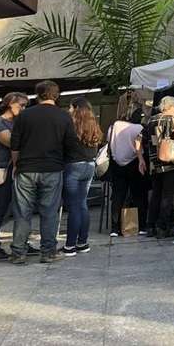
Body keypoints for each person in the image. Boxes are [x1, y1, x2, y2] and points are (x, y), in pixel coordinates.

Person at [10, 80, 80, 264]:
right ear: (56, 96)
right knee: (49, 212)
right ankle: (48, 252)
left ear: (37, 95)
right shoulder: (64, 117)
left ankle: (18, 252)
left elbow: (14, 144)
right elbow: (71, 144)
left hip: (26, 168)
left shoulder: (24, 116)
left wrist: (17, 164)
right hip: (52, 169)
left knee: (22, 212)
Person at [0, 92, 30, 261]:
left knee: (21, 208)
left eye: (25, 106)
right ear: (10, 103)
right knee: (0, 209)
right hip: (5, 169)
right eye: (21, 105)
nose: (24, 108)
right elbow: (11, 142)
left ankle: (21, 241)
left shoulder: (17, 122)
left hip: (19, 168)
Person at [61, 97, 102, 256]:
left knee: (73, 206)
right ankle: (82, 242)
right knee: (82, 204)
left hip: (73, 165)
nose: (69, 110)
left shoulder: (70, 125)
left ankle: (70, 245)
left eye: (71, 107)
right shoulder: (94, 125)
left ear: (76, 108)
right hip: (89, 166)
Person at [143, 96, 174, 239]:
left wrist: (140, 160)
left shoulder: (150, 120)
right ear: (168, 107)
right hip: (170, 163)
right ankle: (163, 227)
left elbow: (139, 140)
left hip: (154, 164)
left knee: (156, 194)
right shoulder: (171, 120)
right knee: (167, 195)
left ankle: (150, 226)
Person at [109, 92, 149, 237]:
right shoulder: (138, 128)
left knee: (118, 196)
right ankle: (142, 226)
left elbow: (110, 145)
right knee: (139, 195)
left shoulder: (113, 127)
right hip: (135, 163)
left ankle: (114, 227)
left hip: (117, 165)